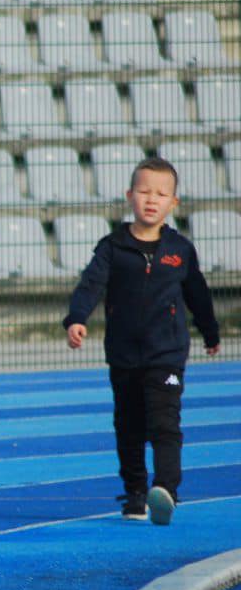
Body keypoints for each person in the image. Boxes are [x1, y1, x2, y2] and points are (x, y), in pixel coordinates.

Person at [64, 156, 220, 525]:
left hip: (167, 353)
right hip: (123, 355)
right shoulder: (112, 247)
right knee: (129, 426)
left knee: (165, 422)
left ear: (173, 203)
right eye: (144, 191)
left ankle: (166, 490)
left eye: (161, 194)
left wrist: (210, 331)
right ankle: (135, 493)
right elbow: (90, 285)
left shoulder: (180, 249)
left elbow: (197, 293)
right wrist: (77, 319)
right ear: (129, 195)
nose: (152, 199)